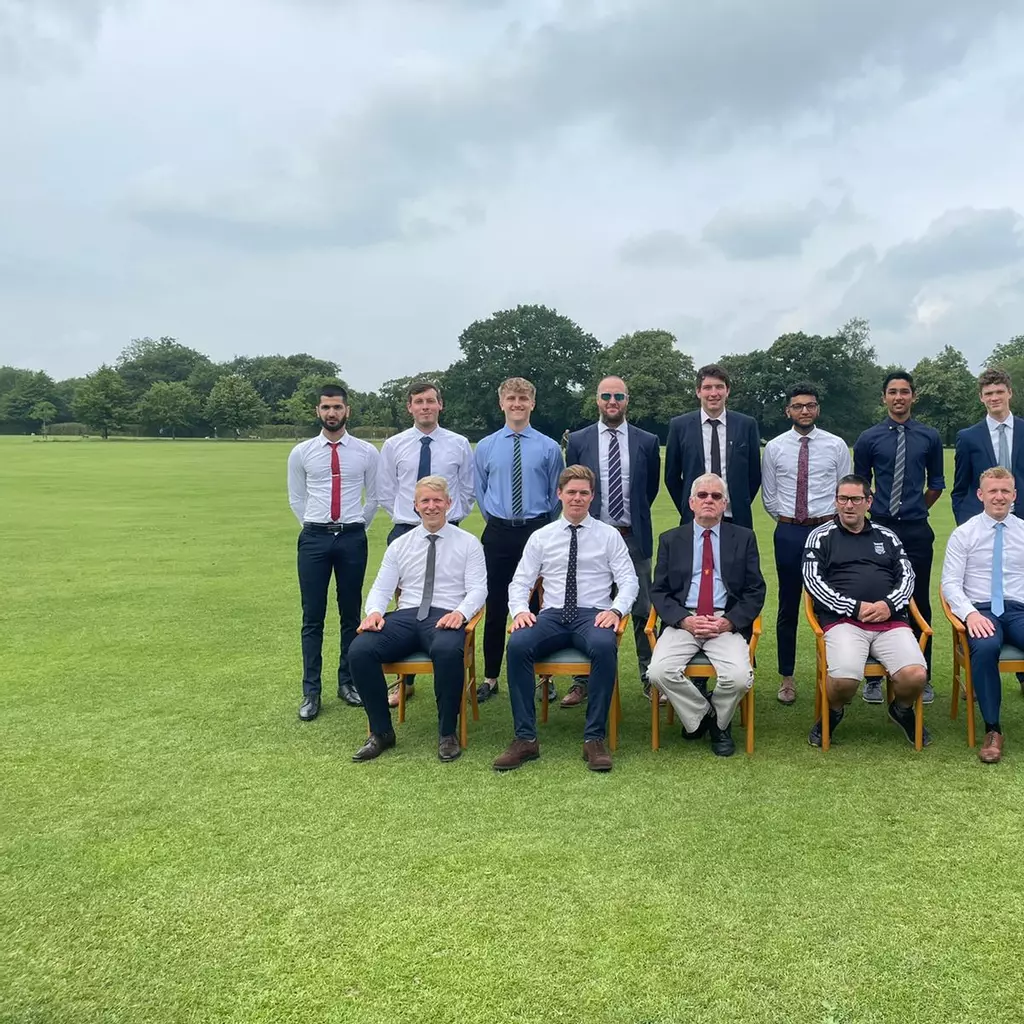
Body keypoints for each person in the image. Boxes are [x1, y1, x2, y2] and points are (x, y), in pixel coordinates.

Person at [493, 465, 639, 772]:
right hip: (552, 616)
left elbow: (629, 580)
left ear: (592, 496)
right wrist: (520, 611)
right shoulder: (541, 537)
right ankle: (525, 738)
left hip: (593, 615)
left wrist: (615, 610)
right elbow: (520, 582)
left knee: (604, 646)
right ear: (559, 494)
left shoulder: (608, 535)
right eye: (571, 492)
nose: (577, 498)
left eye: (584, 493)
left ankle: (594, 738)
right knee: (518, 645)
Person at [347, 476, 487, 762]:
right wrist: (374, 612)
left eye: (437, 500)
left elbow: (478, 589)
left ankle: (447, 732)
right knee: (360, 650)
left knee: (447, 650)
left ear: (449, 503)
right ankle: (381, 732)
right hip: (406, 616)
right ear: (415, 505)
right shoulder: (400, 545)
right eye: (425, 500)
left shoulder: (468, 543)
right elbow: (382, 587)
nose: (431, 506)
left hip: (446, 615)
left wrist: (460, 613)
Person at [802, 475, 929, 747]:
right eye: (843, 499)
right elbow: (813, 582)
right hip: (843, 622)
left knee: (916, 676)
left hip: (890, 622)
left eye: (856, 499)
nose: (849, 505)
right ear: (836, 501)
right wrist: (855, 608)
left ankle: (902, 710)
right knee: (844, 680)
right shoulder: (820, 536)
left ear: (868, 502)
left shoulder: (887, 535)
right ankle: (833, 712)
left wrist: (888, 605)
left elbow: (908, 577)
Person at [647, 473, 766, 756]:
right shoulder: (671, 539)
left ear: (725, 504)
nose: (708, 501)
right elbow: (659, 591)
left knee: (739, 677)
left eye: (716, 496)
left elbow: (755, 590)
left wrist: (729, 622)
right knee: (658, 672)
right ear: (691, 502)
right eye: (702, 495)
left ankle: (715, 722)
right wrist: (684, 620)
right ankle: (708, 717)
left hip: (725, 621)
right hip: (684, 621)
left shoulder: (744, 538)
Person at [563, 375, 662, 706]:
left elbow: (649, 490)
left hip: (632, 536)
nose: (612, 402)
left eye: (618, 396)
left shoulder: (647, 441)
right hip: (591, 539)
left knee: (642, 608)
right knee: (587, 606)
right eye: (606, 396)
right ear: (597, 400)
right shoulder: (579, 440)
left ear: (627, 400)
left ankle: (650, 676)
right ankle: (583, 679)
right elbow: (575, 486)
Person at [378, 380, 475, 708]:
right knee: (406, 605)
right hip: (406, 530)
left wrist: (447, 516)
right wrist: (412, 516)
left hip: (448, 530)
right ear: (410, 407)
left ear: (440, 405)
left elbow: (468, 489)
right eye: (419, 401)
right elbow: (385, 490)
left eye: (430, 401)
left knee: (449, 598)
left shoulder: (458, 444)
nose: (425, 406)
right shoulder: (394, 445)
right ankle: (403, 682)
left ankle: (450, 670)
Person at [287, 384, 379, 721]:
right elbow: (297, 498)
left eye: (337, 407)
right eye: (326, 407)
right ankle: (311, 690)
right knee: (312, 616)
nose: (331, 413)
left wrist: (354, 526)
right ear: (318, 411)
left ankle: (347, 681)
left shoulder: (366, 452)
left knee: (350, 614)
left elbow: (375, 496)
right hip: (314, 538)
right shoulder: (302, 452)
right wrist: (316, 526)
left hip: (352, 537)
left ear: (347, 411)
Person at [854, 370, 945, 705]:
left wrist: (914, 509)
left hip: (916, 529)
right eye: (892, 392)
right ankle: (873, 677)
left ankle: (923, 672)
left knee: (917, 599)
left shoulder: (929, 436)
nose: (898, 397)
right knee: (876, 595)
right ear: (884, 397)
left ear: (913, 396)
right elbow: (860, 485)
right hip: (879, 526)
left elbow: (936, 484)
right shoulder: (869, 438)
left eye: (904, 392)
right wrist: (882, 511)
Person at [474, 377, 563, 705]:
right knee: (496, 605)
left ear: (532, 404)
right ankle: (491, 677)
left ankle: (544, 677)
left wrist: (540, 527)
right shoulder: (486, 446)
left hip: (536, 531)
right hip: (498, 533)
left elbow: (556, 494)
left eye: (523, 399)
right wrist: (500, 520)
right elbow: (480, 491)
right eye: (511, 398)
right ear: (502, 403)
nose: (517, 404)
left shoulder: (549, 447)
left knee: (539, 604)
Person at [761, 383, 851, 707]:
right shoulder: (774, 447)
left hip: (827, 531)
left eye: (810, 405)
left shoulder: (836, 445)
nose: (804, 411)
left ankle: (836, 673)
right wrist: (790, 520)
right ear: (788, 411)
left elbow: (845, 490)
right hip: (789, 531)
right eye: (798, 406)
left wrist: (828, 524)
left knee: (833, 602)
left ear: (817, 409)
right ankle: (787, 677)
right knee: (788, 605)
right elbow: (769, 495)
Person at [941, 467, 1024, 763]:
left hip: (1018, 610)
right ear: (980, 495)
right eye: (993, 491)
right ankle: (993, 729)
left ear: (1014, 495)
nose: (999, 497)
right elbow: (950, 584)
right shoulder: (964, 534)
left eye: (1005, 491)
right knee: (987, 647)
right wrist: (970, 615)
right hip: (981, 610)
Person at [665, 364, 761, 529]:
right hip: (695, 520)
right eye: (707, 387)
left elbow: (754, 476)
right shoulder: (679, 426)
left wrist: (737, 503)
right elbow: (672, 477)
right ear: (698, 392)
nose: (714, 393)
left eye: (719, 387)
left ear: (727, 390)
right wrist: (691, 507)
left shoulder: (746, 425)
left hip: (736, 520)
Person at [952, 368, 1024, 525]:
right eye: (989, 393)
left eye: (999, 392)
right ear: (981, 397)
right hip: (982, 522)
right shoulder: (968, 438)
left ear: (1010, 393)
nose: (994, 398)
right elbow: (960, 489)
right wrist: (964, 524)